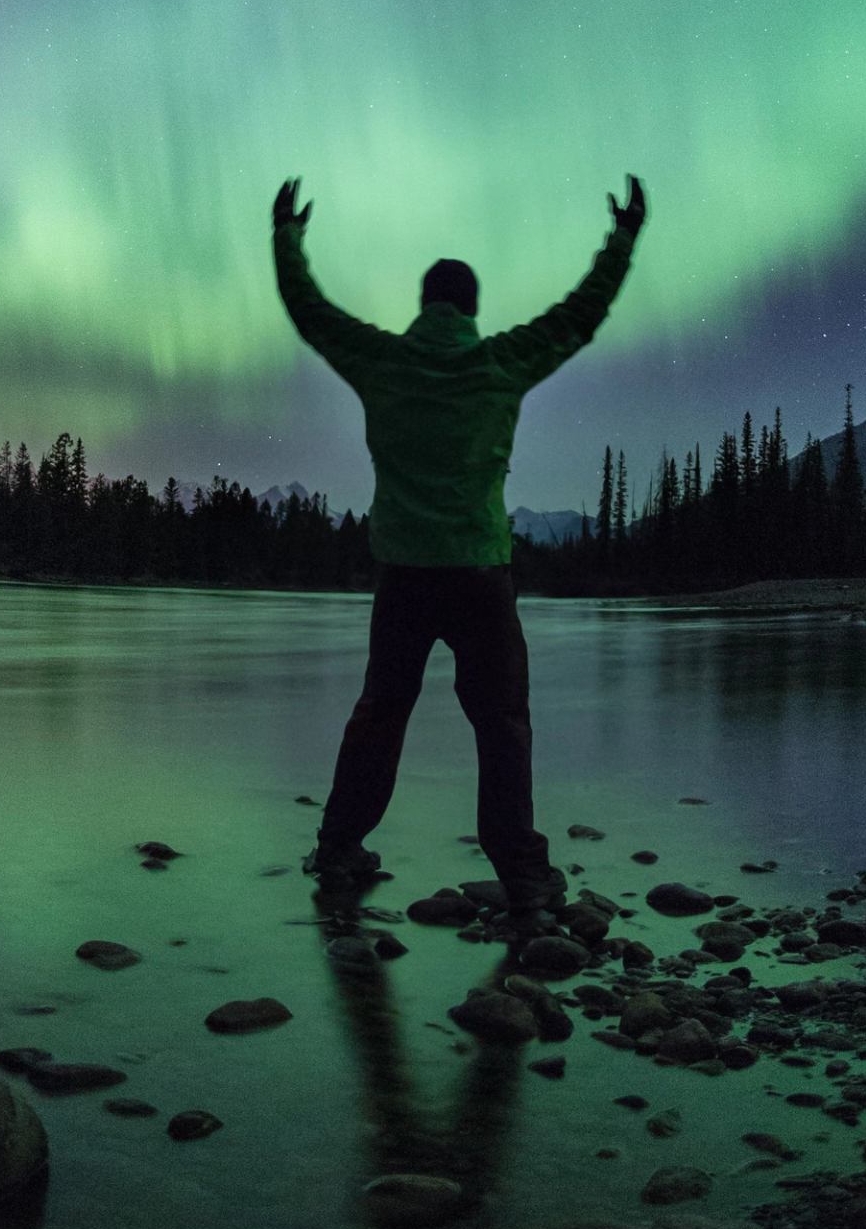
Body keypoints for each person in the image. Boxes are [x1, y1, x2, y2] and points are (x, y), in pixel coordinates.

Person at [270, 171, 648, 930]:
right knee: (501, 722)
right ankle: (524, 877)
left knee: (381, 712)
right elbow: (580, 315)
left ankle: (341, 847)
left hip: (404, 577)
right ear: (472, 309)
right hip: (481, 575)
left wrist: (287, 237)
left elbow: (311, 315)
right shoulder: (500, 362)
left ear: (423, 306)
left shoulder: (381, 361)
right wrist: (622, 238)